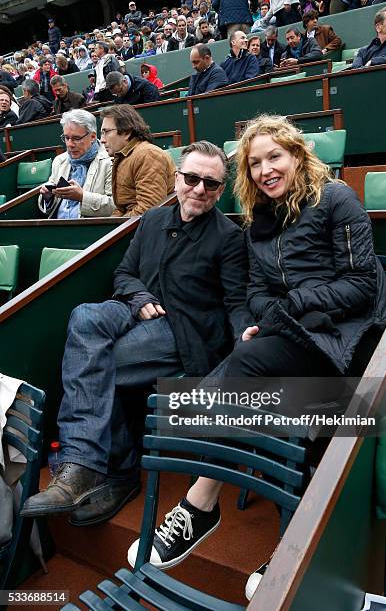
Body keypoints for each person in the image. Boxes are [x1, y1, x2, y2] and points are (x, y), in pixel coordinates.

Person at [126, 115, 386, 598]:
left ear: (297, 154)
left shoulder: (336, 198)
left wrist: (289, 310)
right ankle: (234, 515)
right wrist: (270, 318)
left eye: (275, 157)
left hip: (352, 336)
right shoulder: (258, 221)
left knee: (269, 384)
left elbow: (359, 284)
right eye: (254, 163)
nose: (266, 170)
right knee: (263, 376)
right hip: (298, 335)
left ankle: (240, 515)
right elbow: (256, 290)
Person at [21, 140, 250, 527]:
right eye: (192, 178)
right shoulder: (153, 221)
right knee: (85, 318)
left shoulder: (228, 237)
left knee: (96, 360)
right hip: (134, 309)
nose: (199, 189)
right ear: (177, 178)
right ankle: (88, 463)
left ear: (220, 190)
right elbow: (124, 273)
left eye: (210, 184)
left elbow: (236, 301)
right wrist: (139, 296)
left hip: (183, 328)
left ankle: (107, 469)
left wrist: (244, 338)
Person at [99, 105, 175, 217]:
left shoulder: (147, 155)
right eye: (102, 133)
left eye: (106, 132)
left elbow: (149, 209)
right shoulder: (125, 156)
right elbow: (122, 207)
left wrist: (115, 230)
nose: (102, 140)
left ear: (127, 132)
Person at [37, 109, 114, 219]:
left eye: (76, 138)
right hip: (57, 227)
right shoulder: (59, 161)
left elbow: (115, 206)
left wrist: (82, 197)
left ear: (92, 137)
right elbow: (50, 208)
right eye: (66, 138)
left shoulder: (109, 162)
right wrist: (48, 196)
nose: (70, 144)